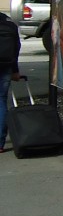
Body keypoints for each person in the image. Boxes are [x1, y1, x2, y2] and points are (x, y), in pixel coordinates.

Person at [0, 10, 23, 154]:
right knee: (1, 101)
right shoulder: (9, 24)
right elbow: (16, 49)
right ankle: (0, 143)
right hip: (6, 66)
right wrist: (15, 70)